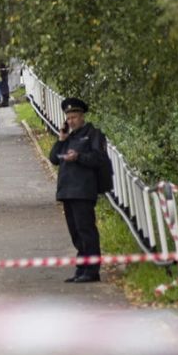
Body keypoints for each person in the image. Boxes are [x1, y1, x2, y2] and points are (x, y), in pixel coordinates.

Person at [48, 98, 108, 283]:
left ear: (82, 117)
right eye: (69, 117)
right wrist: (61, 140)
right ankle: (81, 268)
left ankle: (92, 270)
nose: (71, 121)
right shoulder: (69, 137)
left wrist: (79, 157)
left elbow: (98, 159)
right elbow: (54, 159)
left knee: (86, 230)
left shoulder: (93, 135)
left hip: (83, 190)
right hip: (67, 191)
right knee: (75, 232)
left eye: (74, 117)